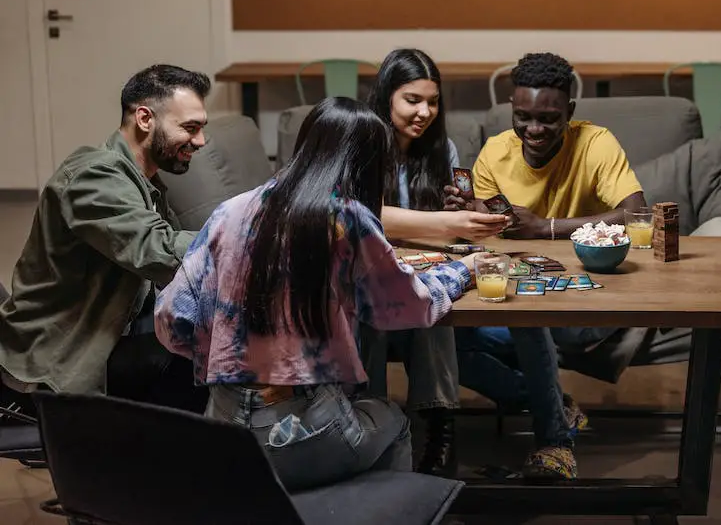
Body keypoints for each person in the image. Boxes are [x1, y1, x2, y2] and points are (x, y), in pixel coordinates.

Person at [154, 97, 478, 492]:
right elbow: (406, 304)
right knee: (393, 422)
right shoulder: (345, 218)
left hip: (223, 430)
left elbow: (171, 317)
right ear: (365, 162)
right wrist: (464, 270)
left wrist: (230, 359)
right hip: (305, 427)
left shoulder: (231, 211)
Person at [444, 52, 649, 480]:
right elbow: (489, 236)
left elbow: (636, 215)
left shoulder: (596, 142)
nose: (533, 130)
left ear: (569, 113)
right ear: (511, 110)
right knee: (441, 335)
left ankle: (554, 441)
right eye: (523, 117)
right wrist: (468, 215)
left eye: (548, 119)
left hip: (593, 298)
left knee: (525, 320)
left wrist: (546, 227)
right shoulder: (495, 153)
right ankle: (554, 404)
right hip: (530, 289)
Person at [0, 64, 211, 416]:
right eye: (190, 128)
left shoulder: (142, 182)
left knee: (208, 334)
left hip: (108, 341)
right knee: (203, 355)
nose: (200, 141)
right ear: (145, 119)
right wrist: (240, 237)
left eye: (202, 129)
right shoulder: (93, 177)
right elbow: (158, 250)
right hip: (56, 367)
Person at [360, 48, 503, 477]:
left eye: (433, 101)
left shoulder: (444, 147)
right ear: (387, 96)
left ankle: (440, 427)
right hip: (368, 271)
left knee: (432, 303)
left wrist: (468, 216)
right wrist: (442, 222)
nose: (424, 112)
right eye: (412, 100)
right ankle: (369, 424)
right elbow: (363, 214)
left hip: (424, 269)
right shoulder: (363, 142)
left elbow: (446, 229)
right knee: (374, 302)